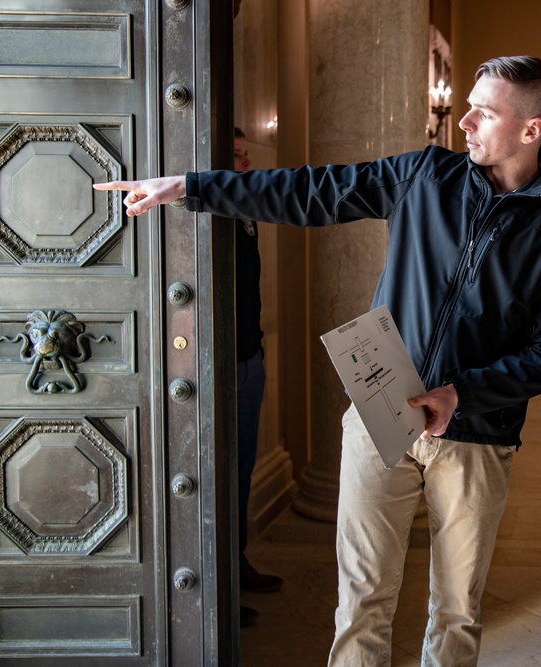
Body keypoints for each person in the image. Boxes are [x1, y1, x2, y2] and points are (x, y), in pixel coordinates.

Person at [95, 55, 541, 665]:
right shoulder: (423, 176)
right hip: (379, 416)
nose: (462, 121)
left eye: (483, 112)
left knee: (457, 612)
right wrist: (191, 188)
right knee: (360, 603)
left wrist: (459, 393)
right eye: (466, 104)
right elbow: (311, 191)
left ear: (531, 130)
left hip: (478, 436)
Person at [231, 127, 284, 629]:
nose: (245, 162)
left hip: (250, 359)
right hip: (217, 368)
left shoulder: (247, 212)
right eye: (235, 155)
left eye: (247, 155)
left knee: (243, 468)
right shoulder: (205, 213)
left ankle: (237, 563)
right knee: (220, 473)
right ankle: (218, 583)